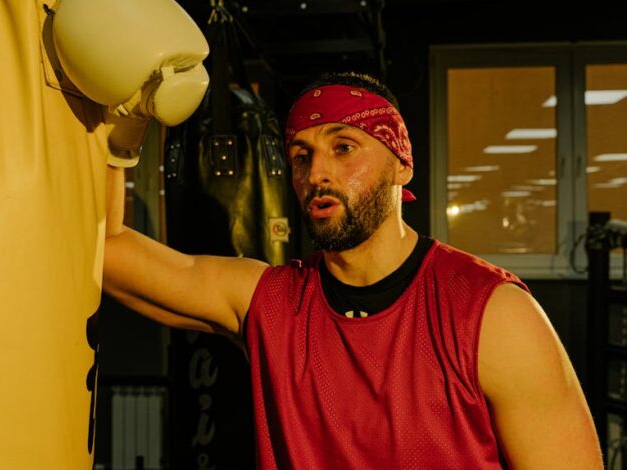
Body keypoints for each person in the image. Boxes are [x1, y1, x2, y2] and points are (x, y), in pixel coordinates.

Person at [102, 72, 602, 469]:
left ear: (401, 164)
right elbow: (106, 248)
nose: (317, 173)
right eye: (302, 156)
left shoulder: (491, 314)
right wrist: (120, 117)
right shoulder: (270, 303)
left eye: (344, 148)